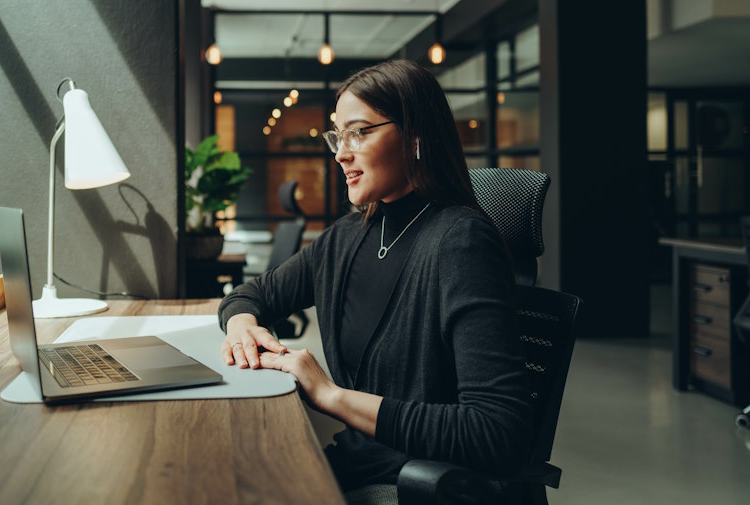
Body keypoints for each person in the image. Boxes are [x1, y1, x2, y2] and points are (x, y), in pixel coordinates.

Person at [218, 59, 533, 503]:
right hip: (354, 464)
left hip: (402, 481)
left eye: (359, 132)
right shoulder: (349, 236)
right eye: (338, 135)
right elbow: (251, 295)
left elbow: (497, 432)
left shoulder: (461, 242)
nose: (341, 153)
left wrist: (330, 395)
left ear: (416, 135)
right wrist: (242, 327)